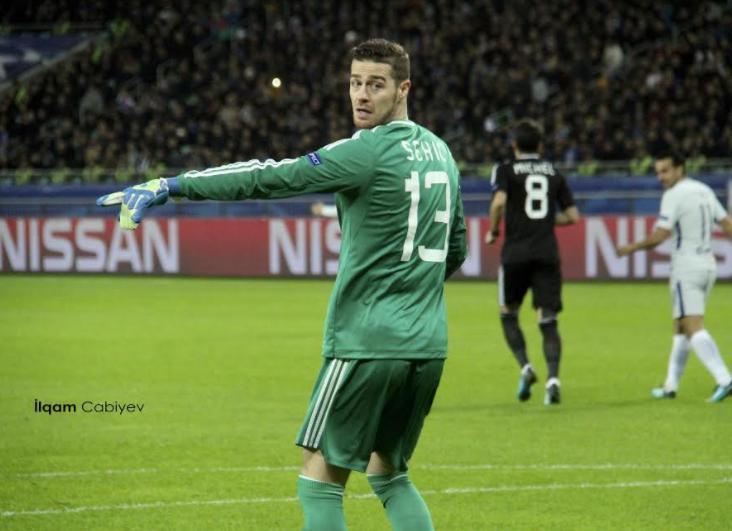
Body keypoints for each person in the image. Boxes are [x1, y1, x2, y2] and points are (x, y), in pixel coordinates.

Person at [98, 38, 467, 530]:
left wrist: (172, 185)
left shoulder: (366, 151)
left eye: (376, 85)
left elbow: (268, 177)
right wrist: (412, 292)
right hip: (427, 345)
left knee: (319, 477)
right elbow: (455, 249)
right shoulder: (441, 152)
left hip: (366, 343)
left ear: (403, 89)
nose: (361, 95)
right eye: (355, 83)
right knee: (389, 472)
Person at [616, 152, 732, 402]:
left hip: (686, 267)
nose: (661, 177)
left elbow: (660, 235)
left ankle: (724, 379)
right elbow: (727, 225)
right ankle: (670, 386)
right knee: (681, 326)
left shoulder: (673, 195)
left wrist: (631, 248)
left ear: (680, 169)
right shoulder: (704, 190)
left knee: (692, 326)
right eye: (658, 172)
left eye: (666, 170)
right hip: (707, 265)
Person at [485, 119, 579, 405]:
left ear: (514, 145)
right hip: (546, 252)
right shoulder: (554, 172)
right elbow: (573, 217)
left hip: (515, 253)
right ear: (540, 146)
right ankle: (553, 381)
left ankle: (526, 367)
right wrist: (546, 220)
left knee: (508, 313)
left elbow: (499, 202)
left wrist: (494, 230)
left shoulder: (505, 170)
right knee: (548, 319)